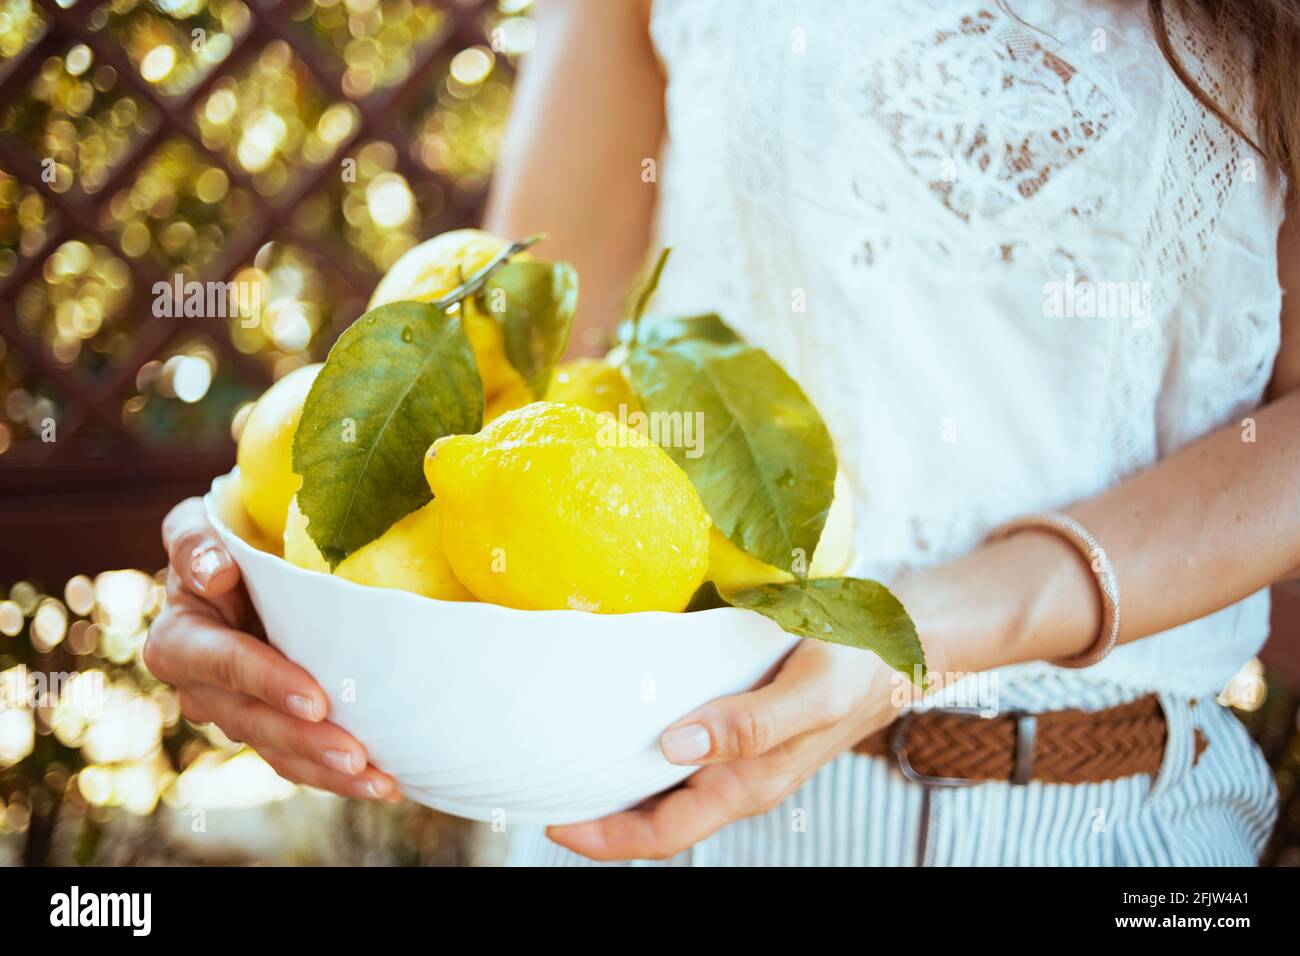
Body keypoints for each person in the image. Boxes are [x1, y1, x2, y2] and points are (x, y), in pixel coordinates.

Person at [146, 0, 1300, 865]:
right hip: (642, 797)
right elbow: (542, 354)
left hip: (1104, 818)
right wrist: (305, 590)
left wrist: (925, 629)